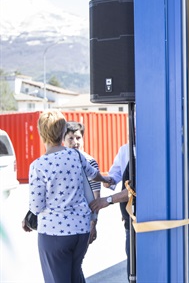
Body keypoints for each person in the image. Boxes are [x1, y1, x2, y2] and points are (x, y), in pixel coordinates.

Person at [22, 110, 114, 283]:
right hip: (80, 231)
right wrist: (106, 179)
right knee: (75, 274)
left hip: (54, 234)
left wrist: (27, 220)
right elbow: (94, 174)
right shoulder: (76, 156)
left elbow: (36, 207)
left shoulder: (38, 165)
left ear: (42, 133)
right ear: (64, 132)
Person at [90, 143, 131, 281]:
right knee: (132, 264)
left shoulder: (150, 148)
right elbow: (114, 176)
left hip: (146, 218)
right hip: (129, 218)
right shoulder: (125, 150)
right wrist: (106, 180)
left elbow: (134, 189)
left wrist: (107, 200)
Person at [63, 121, 101, 244]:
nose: (75, 142)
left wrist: (93, 224)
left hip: (82, 222)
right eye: (71, 138)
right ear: (63, 140)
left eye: (78, 138)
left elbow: (96, 197)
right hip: (62, 223)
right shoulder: (59, 162)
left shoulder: (90, 162)